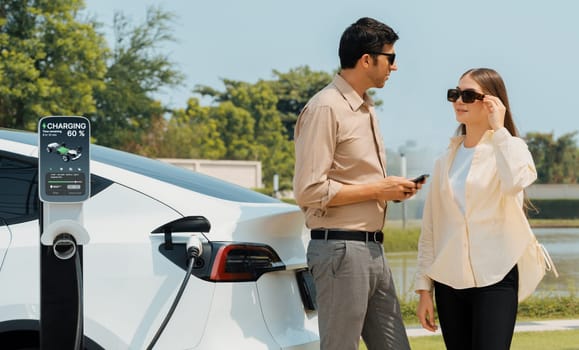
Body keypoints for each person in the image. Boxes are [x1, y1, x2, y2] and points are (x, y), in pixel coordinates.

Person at [293, 17, 423, 350]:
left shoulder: (365, 108)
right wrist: (379, 189)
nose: (394, 67)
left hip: (372, 249)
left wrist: (390, 192)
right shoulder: (326, 108)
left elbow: (355, 180)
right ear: (367, 59)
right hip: (340, 250)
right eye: (390, 58)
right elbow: (309, 190)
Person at [415, 68, 541, 350]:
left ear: (492, 103)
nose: (459, 100)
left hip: (496, 278)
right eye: (455, 94)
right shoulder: (444, 161)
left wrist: (499, 131)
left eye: (469, 95)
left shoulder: (510, 148)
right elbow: (431, 229)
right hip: (448, 283)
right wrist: (424, 290)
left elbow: (517, 181)